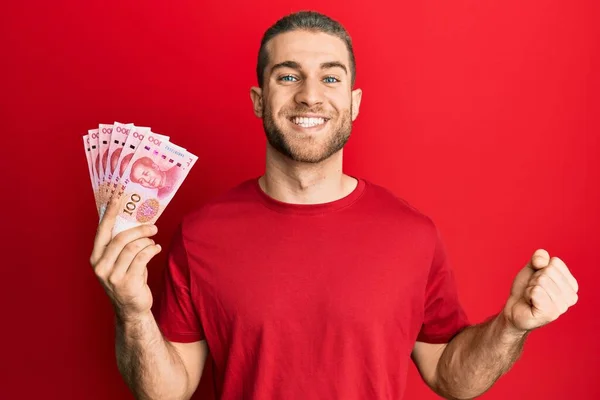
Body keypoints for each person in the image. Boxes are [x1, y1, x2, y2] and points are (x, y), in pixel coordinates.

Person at [89, 11, 579, 400]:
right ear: (259, 100)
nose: (309, 96)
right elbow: (168, 392)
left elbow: (451, 377)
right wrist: (132, 314)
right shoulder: (199, 236)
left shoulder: (413, 236)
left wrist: (511, 326)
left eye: (330, 78)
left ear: (355, 101)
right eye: (288, 76)